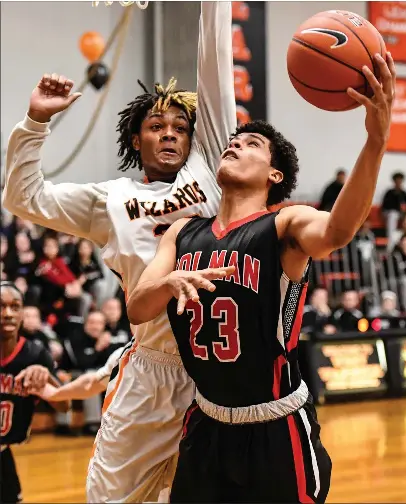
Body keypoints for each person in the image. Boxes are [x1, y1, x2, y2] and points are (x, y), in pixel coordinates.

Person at [127, 52, 396, 502]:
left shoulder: (285, 223)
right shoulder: (182, 231)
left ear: (274, 174)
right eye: (232, 142)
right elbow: (138, 308)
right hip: (206, 424)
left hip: (275, 427)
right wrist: (167, 283)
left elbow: (338, 231)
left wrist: (375, 142)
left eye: (251, 144)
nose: (234, 145)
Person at [2, 3, 235, 501]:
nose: (169, 132)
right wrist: (36, 120)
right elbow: (22, 198)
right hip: (152, 370)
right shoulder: (108, 200)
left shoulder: (210, 167)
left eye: (180, 127)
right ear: (136, 138)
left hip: (220, 372)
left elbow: (216, 65)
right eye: (156, 125)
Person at [0, 281, 70, 504]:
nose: (8, 314)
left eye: (15, 307)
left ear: (22, 313)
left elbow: (64, 406)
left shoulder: (36, 355)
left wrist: (46, 377)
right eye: (1, 306)